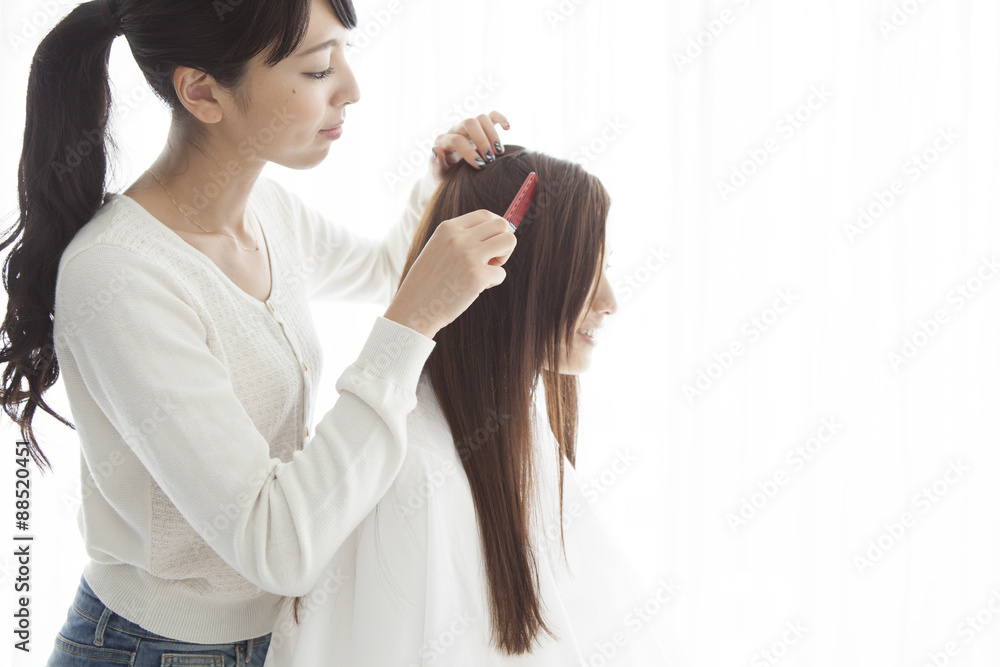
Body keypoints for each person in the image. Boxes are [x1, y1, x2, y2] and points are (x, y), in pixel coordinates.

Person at [0, 0, 518, 664]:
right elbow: (277, 545)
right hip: (152, 649)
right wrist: (412, 323)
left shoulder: (269, 212)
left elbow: (388, 272)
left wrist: (438, 187)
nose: (351, 89)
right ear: (202, 92)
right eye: (318, 69)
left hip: (274, 639)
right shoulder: (120, 276)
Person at [262, 146, 673, 666]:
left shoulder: (518, 432)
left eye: (605, 266)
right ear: (504, 276)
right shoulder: (418, 476)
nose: (610, 301)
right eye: (583, 269)